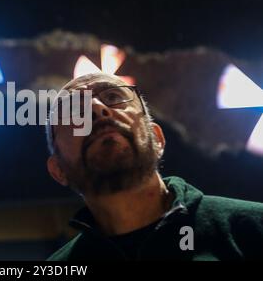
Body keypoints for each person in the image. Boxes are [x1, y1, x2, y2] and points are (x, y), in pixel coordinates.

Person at [45, 72, 263, 260]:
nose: (97, 107)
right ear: (58, 170)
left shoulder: (252, 228)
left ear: (157, 139)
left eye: (113, 96)